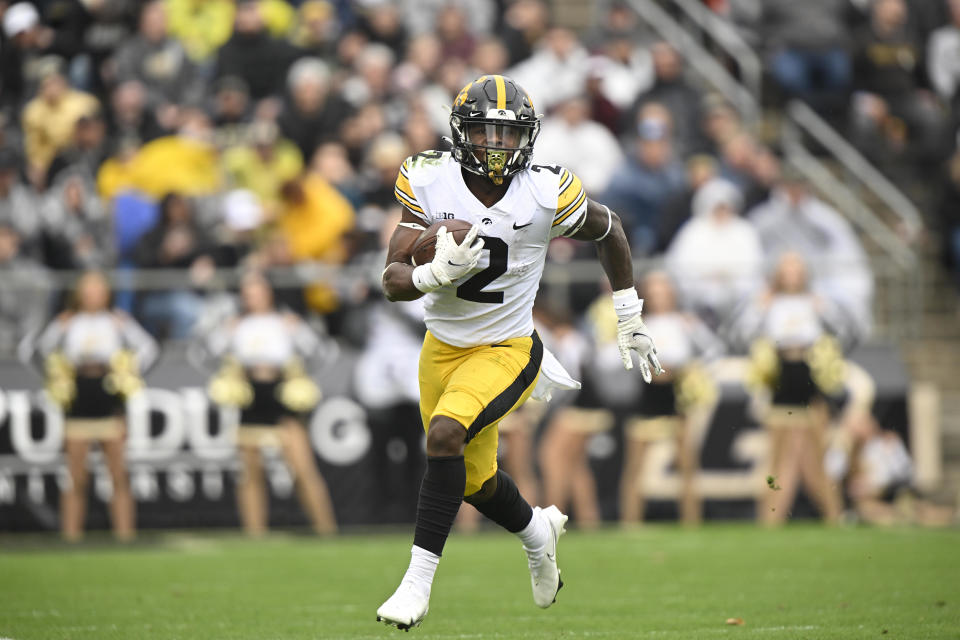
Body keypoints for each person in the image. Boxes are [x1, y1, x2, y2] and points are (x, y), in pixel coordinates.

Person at [376, 75, 663, 630]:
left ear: (528, 138)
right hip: (441, 349)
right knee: (473, 482)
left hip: (508, 347)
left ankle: (416, 584)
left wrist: (628, 312)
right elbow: (392, 278)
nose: (498, 146)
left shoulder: (545, 191)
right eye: (486, 132)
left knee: (444, 436)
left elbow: (611, 230)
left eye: (510, 135)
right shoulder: (429, 178)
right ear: (462, 133)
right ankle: (538, 533)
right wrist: (433, 272)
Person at [201, 271, 337, 536]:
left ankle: (326, 531)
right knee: (251, 471)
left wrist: (300, 372)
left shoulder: (285, 322)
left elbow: (321, 352)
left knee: (302, 468)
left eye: (257, 289)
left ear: (269, 292)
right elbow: (204, 355)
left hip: (280, 393)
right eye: (247, 291)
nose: (251, 295)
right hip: (250, 394)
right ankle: (255, 534)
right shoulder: (235, 325)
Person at [25, 271, 158, 541]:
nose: (93, 294)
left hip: (108, 395)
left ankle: (125, 535)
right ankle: (71, 536)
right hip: (78, 397)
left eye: (98, 288)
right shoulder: (67, 322)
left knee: (118, 473)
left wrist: (129, 372)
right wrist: (55, 375)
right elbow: (33, 350)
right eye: (88, 288)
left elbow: (150, 349)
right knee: (76, 475)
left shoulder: (118, 321)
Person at [737, 252, 847, 526]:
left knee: (817, 458)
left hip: (809, 379)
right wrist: (760, 307)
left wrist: (824, 310)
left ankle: (835, 516)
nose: (792, 275)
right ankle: (771, 519)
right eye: (787, 269)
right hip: (781, 378)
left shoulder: (815, 301)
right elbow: (742, 335)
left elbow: (844, 333)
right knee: (777, 460)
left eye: (797, 269)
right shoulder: (768, 302)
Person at [618, 272, 722, 526]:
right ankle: (630, 524)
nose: (660, 295)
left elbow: (715, 350)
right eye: (655, 291)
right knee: (635, 467)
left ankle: (691, 522)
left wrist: (693, 371)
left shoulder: (684, 322)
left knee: (687, 465)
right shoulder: (636, 324)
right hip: (647, 396)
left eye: (664, 290)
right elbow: (621, 356)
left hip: (676, 396)